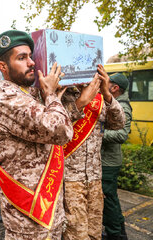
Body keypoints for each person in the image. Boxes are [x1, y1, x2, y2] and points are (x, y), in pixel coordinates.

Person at [0, 29, 87, 240]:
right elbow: (60, 131)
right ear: (3, 67)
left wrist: (63, 90)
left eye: (30, 56)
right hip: (28, 219)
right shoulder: (7, 99)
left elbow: (60, 116)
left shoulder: (27, 95)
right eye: (21, 58)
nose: (31, 62)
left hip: (48, 212)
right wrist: (50, 94)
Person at [62, 65, 126, 240]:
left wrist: (107, 94)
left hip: (95, 176)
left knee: (95, 231)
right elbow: (54, 126)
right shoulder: (62, 94)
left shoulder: (100, 98)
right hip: (70, 178)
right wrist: (80, 102)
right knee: (76, 233)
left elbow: (119, 123)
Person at [101, 73, 131, 240]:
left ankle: (114, 234)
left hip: (109, 162)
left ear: (114, 88)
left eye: (108, 83)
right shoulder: (114, 101)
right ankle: (119, 232)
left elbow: (122, 135)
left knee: (108, 200)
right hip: (107, 160)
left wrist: (98, 134)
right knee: (111, 197)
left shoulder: (123, 106)